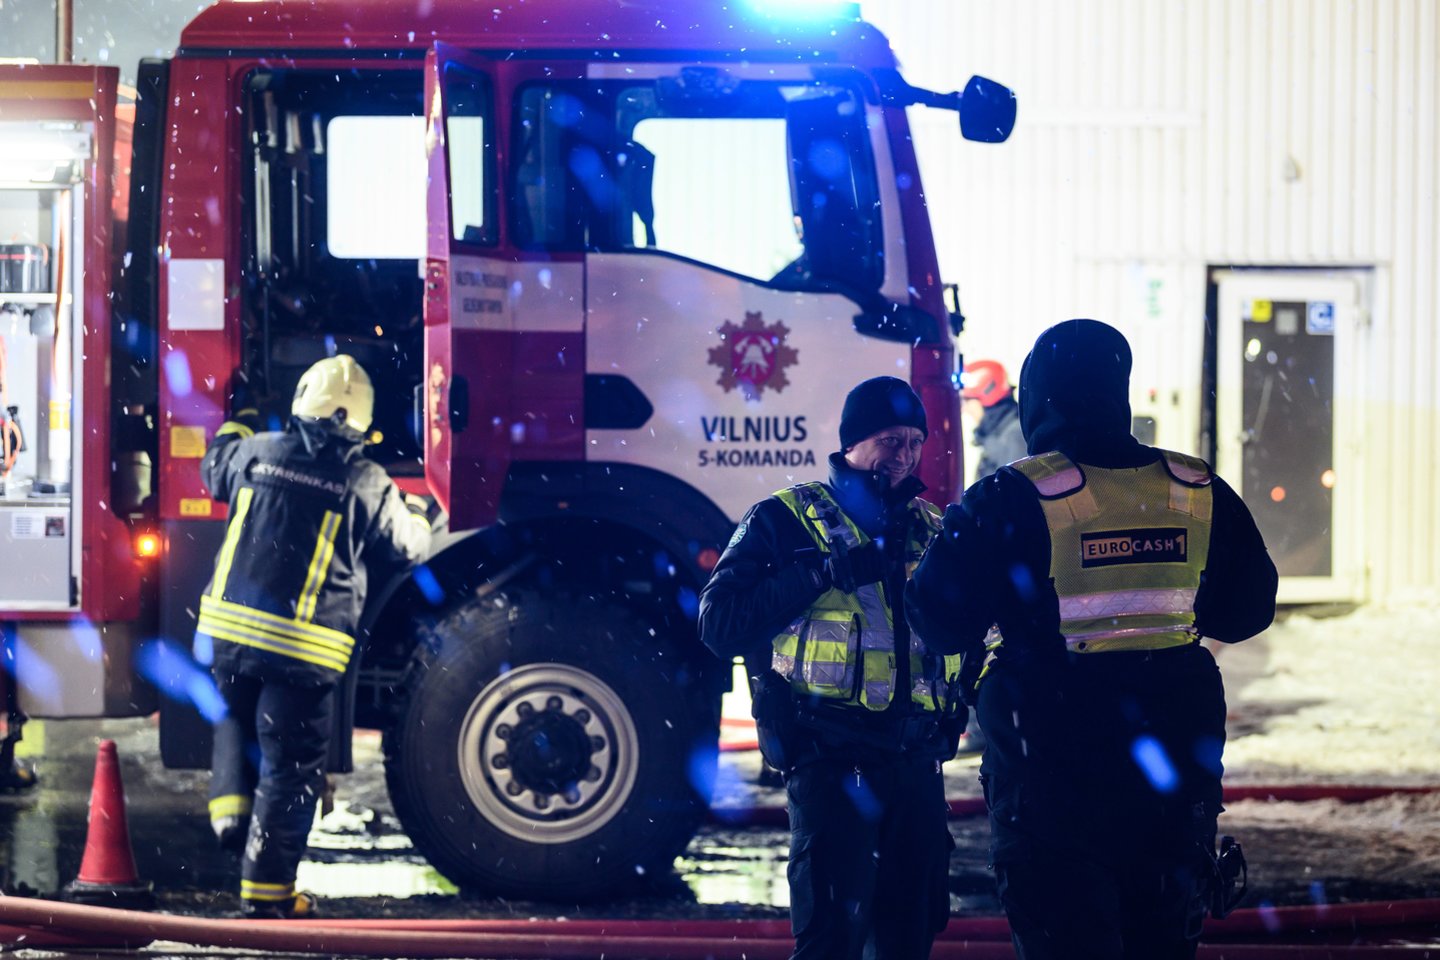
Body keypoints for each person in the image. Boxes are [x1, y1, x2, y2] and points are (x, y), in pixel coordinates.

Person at [907, 319, 1277, 960]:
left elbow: (936, 621)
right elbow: (1246, 613)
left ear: (1037, 397)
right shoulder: (1195, 491)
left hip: (1051, 786)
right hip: (1171, 784)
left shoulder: (1006, 497)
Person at [699, 376, 965, 960]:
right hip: (833, 759)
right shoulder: (783, 519)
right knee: (831, 941)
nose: (904, 455)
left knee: (909, 939)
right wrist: (822, 573)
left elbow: (975, 634)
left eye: (914, 442)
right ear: (851, 443)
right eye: (890, 440)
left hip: (917, 765)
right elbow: (719, 626)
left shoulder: (934, 529)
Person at [197, 356, 430, 918]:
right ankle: (267, 896)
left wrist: (242, 416)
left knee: (234, 720)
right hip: (300, 655)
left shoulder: (256, 451)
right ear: (360, 421)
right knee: (290, 768)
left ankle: (230, 818)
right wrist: (419, 511)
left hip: (228, 640)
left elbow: (213, 466)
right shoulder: (366, 481)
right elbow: (408, 547)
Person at [961, 358, 1027, 481]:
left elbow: (1013, 491)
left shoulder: (1014, 437)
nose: (964, 409)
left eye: (967, 400)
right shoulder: (996, 436)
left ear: (987, 397)